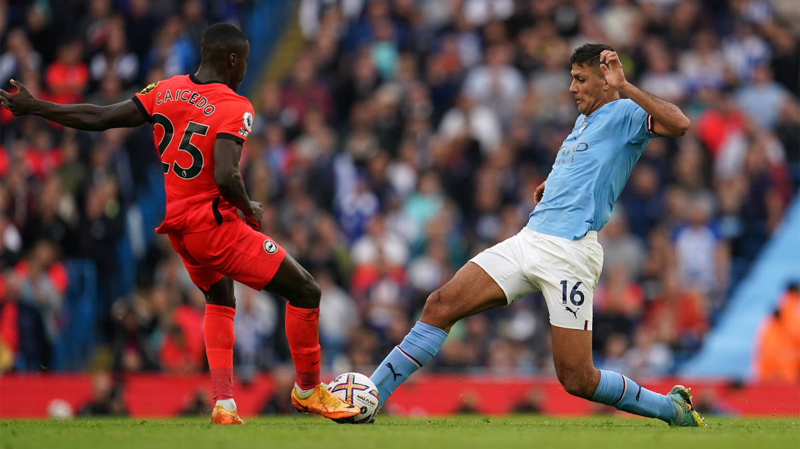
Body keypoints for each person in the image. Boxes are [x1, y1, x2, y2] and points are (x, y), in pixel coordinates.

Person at [0, 23, 358, 425]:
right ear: (234, 60)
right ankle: (309, 391)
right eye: (245, 63)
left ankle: (224, 404)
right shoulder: (235, 105)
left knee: (220, 298)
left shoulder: (164, 90)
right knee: (307, 291)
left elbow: (99, 117)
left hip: (180, 232)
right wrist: (248, 206)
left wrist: (36, 106)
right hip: (215, 228)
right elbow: (226, 174)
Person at [368, 44, 705, 427]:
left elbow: (680, 124)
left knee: (578, 378)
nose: (571, 88)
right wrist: (554, 186)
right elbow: (587, 169)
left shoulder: (625, 113)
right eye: (571, 78)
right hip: (530, 239)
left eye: (580, 79)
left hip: (571, 254)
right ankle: (370, 396)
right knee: (440, 304)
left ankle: (671, 409)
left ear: (604, 78)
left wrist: (626, 87)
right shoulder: (582, 122)